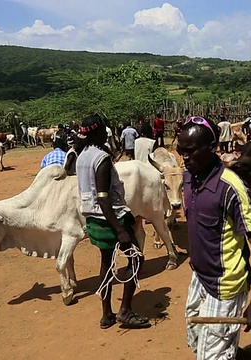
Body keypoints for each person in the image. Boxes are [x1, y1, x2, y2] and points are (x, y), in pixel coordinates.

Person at [177, 116, 251, 360]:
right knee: (195, 339)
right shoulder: (188, 179)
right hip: (200, 275)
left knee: (210, 356)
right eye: (180, 150)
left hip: (225, 283)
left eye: (190, 151)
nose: (184, 157)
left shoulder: (231, 187)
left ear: (212, 148)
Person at [75, 114, 150, 329]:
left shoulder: (82, 157)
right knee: (136, 261)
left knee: (106, 265)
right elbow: (103, 198)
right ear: (98, 132)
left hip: (93, 220)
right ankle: (125, 311)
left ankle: (106, 314)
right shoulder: (102, 159)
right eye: (104, 130)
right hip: (111, 219)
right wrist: (120, 229)